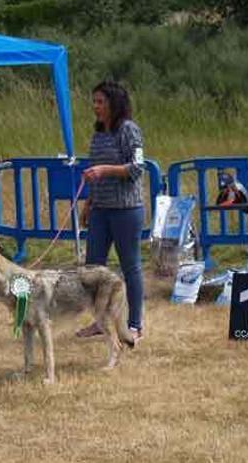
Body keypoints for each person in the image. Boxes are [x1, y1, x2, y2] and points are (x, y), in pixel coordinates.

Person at [74, 81, 145, 342]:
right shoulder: (98, 134)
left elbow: (137, 168)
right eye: (94, 102)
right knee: (93, 268)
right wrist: (88, 203)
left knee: (131, 266)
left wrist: (106, 170)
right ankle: (100, 321)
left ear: (115, 104)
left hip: (126, 210)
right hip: (101, 210)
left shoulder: (129, 130)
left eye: (100, 102)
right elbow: (95, 175)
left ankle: (135, 323)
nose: (95, 107)